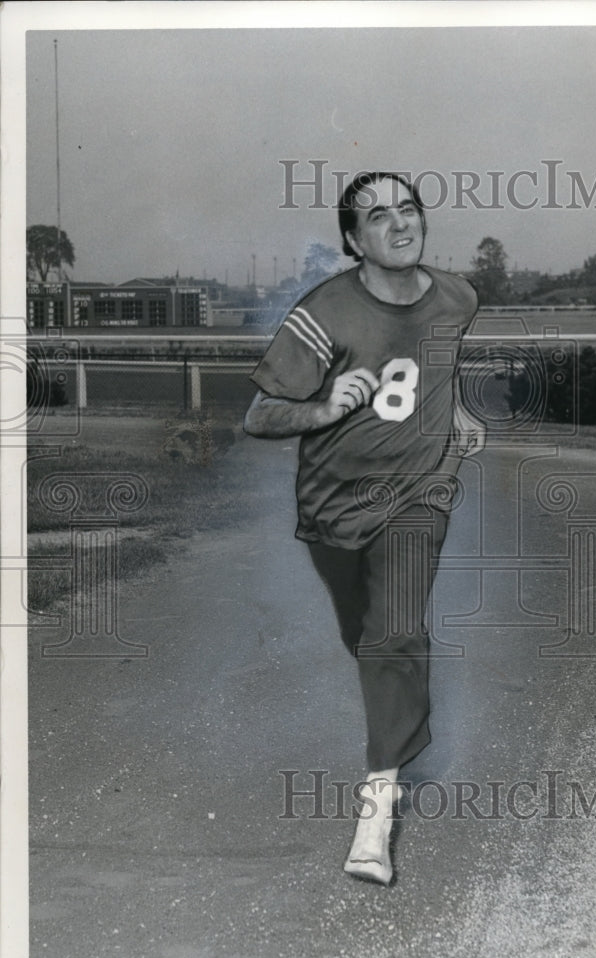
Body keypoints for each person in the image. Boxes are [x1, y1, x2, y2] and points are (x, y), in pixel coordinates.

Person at [244, 171, 484, 884]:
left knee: (394, 632)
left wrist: (456, 411)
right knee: (367, 634)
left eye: (408, 209)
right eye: (378, 217)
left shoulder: (458, 296)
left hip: (419, 493)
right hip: (333, 506)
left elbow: (439, 358)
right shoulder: (322, 315)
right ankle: (391, 693)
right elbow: (258, 417)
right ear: (353, 240)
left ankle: (376, 808)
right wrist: (321, 410)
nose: (399, 224)